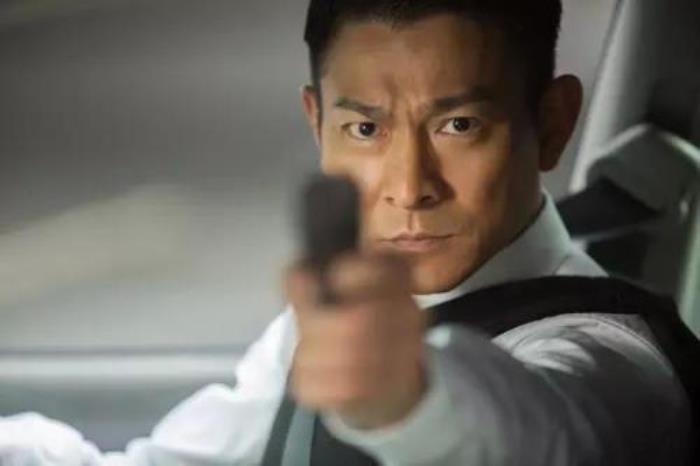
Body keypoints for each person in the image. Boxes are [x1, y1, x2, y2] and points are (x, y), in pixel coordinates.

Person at [1, 1, 691, 465]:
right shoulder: (320, 329)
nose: (410, 185)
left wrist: (411, 396)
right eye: (365, 128)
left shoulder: (615, 362)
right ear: (317, 124)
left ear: (554, 122)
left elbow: (540, 438)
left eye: (459, 125)